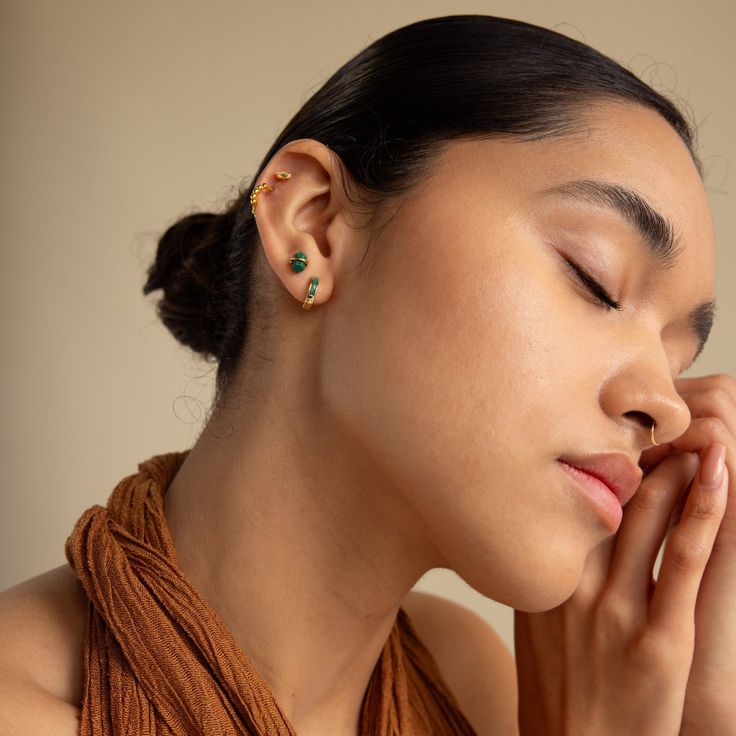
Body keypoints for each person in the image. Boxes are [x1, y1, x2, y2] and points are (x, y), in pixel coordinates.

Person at [0, 12, 734, 736]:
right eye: (596, 279)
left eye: (678, 360)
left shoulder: (475, 683)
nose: (667, 407)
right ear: (312, 226)